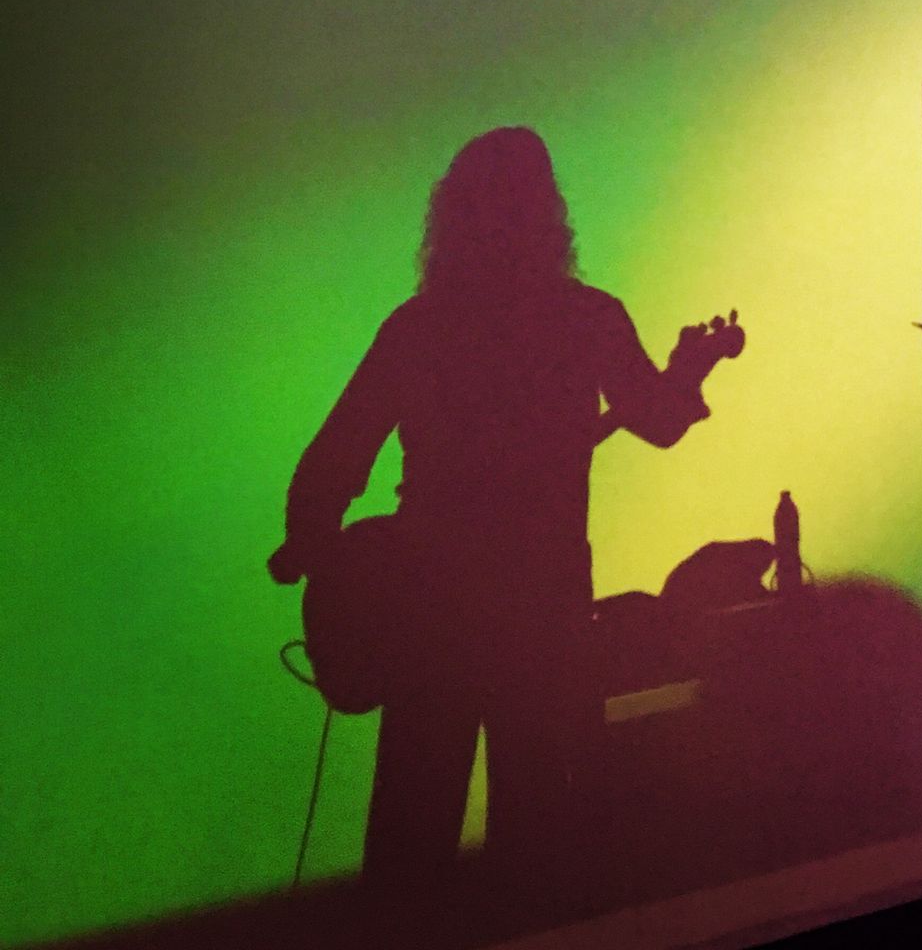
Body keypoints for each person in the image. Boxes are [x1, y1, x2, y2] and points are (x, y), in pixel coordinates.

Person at [266, 127, 735, 890]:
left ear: (451, 217)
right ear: (549, 215)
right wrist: (692, 367)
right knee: (542, 831)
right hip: (544, 610)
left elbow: (334, 459)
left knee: (412, 834)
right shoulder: (587, 317)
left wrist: (315, 556)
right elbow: (657, 419)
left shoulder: (419, 327)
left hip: (432, 613)